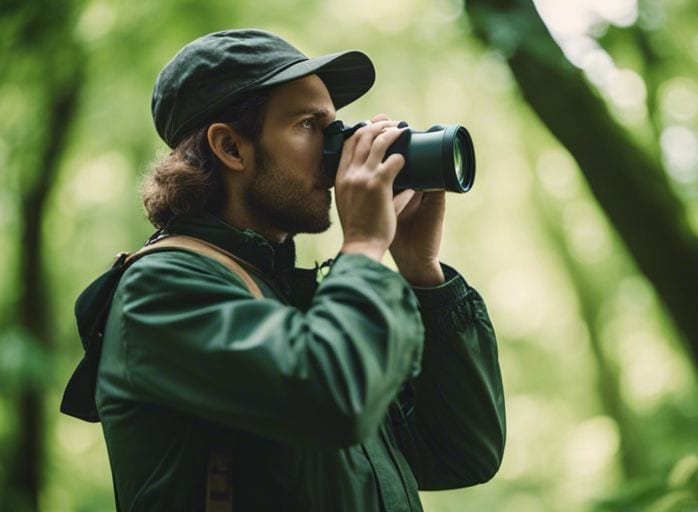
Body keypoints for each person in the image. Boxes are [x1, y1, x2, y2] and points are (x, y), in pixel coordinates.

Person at [63, 29, 505, 511]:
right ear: (231, 147)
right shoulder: (161, 290)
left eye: (336, 126)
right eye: (309, 126)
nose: (338, 148)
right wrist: (363, 246)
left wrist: (421, 274)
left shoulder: (298, 299)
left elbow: (462, 453)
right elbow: (334, 399)